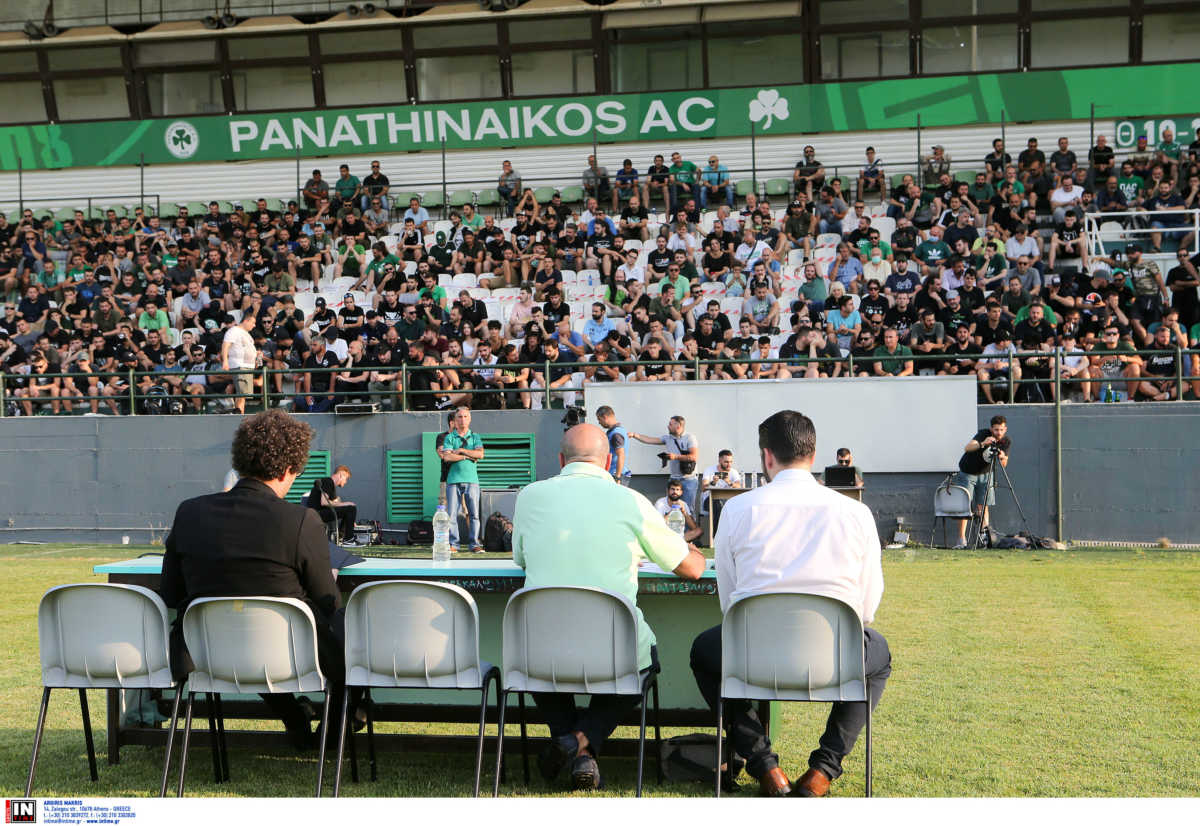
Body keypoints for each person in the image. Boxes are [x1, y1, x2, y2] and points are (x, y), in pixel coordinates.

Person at [690, 410, 889, 797]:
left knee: (704, 653)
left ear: (767, 457)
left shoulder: (736, 509)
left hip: (752, 653)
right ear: (813, 455)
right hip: (835, 655)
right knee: (877, 657)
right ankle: (823, 771)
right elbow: (866, 607)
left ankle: (765, 766)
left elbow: (729, 602)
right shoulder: (856, 513)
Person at [511, 423, 706, 791]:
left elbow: (521, 558)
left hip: (540, 647)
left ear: (560, 459)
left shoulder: (530, 496)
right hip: (614, 649)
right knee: (642, 663)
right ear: (610, 460)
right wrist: (689, 548)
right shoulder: (630, 500)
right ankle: (580, 745)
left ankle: (573, 745)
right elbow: (692, 568)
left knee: (542, 666)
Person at [161, 410, 357, 750]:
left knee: (244, 635)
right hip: (288, 653)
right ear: (287, 469)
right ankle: (332, 734)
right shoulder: (301, 520)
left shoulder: (189, 511)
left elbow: (170, 593)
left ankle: (294, 715)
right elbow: (328, 601)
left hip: (204, 651)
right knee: (343, 632)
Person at [953, 415, 1010, 548]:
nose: (998, 433)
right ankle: (961, 540)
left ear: (1005, 429)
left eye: (1001, 430)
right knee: (964, 506)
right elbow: (967, 448)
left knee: (983, 506)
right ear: (991, 429)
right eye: (996, 430)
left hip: (986, 474)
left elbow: (1005, 463)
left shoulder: (1006, 441)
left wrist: (1002, 456)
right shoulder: (983, 434)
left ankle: (984, 539)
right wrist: (983, 443)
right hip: (968, 473)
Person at [628, 415, 700, 511]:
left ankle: (689, 526)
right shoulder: (667, 438)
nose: (668, 426)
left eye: (670, 424)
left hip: (688, 480)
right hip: (674, 479)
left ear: (678, 426)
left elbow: (694, 457)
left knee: (688, 509)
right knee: (671, 508)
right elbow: (650, 440)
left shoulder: (690, 438)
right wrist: (634, 435)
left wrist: (675, 457)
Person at [439, 406, 485, 553]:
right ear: (455, 420)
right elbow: (447, 456)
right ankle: (454, 545)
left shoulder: (476, 437)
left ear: (469, 419)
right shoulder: (449, 437)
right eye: (459, 417)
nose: (462, 420)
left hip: (472, 480)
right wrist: (467, 456)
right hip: (453, 480)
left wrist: (461, 450)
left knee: (474, 515)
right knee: (451, 515)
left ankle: (474, 544)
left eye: (465, 417)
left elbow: (480, 455)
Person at [306, 464, 357, 544]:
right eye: (346, 478)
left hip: (317, 514)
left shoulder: (331, 487)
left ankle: (341, 537)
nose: (346, 482)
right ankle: (348, 539)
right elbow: (324, 502)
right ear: (341, 475)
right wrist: (347, 504)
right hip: (316, 514)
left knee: (349, 509)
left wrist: (350, 520)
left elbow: (338, 506)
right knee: (351, 508)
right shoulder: (328, 481)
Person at [220, 311, 257, 414]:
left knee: (243, 394)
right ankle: (239, 415)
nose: (254, 326)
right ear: (246, 320)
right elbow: (226, 345)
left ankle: (239, 413)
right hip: (239, 365)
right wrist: (225, 361)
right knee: (242, 393)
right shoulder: (234, 331)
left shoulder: (246, 334)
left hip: (247, 366)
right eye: (253, 323)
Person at [699, 449, 742, 527]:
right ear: (719, 460)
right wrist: (713, 482)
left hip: (727, 500)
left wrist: (729, 482)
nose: (729, 465)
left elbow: (739, 486)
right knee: (718, 506)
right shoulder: (709, 470)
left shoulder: (733, 472)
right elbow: (703, 488)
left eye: (730, 462)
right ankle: (716, 536)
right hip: (710, 500)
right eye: (726, 462)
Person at [653, 478, 703, 542]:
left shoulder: (683, 504)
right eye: (672, 489)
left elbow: (693, 527)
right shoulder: (660, 503)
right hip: (664, 535)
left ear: (681, 492)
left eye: (677, 490)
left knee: (699, 531)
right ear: (667, 491)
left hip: (680, 536)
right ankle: (676, 542)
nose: (675, 492)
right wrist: (673, 510)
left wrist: (684, 512)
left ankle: (678, 542)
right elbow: (658, 524)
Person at [594, 404, 631, 486]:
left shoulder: (616, 434)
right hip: (614, 474)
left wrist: (617, 478)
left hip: (615, 475)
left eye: (599, 419)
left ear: (605, 417)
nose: (599, 423)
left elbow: (621, 455)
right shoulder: (619, 430)